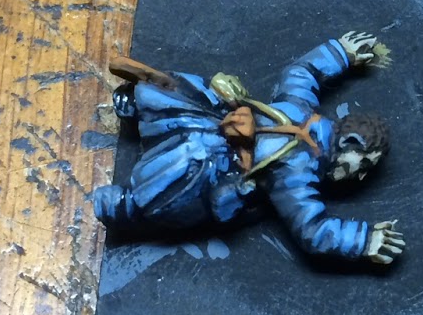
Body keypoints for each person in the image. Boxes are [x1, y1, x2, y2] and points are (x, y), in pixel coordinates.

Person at [93, 31, 403, 265]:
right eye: (363, 164)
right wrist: (363, 240)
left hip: (210, 147)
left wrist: (339, 53)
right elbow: (312, 230)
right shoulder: (297, 169)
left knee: (183, 128)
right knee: (174, 178)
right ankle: (123, 200)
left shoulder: (301, 113)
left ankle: (138, 110)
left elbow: (302, 74)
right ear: (349, 142)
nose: (361, 176)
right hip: (206, 149)